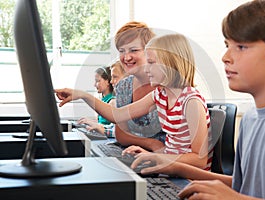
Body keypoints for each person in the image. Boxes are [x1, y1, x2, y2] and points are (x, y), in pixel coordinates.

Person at [130, 1, 265, 200]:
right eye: (227, 45)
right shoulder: (251, 118)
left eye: (241, 47)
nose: (225, 57)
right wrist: (174, 165)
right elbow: (242, 186)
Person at [55, 33, 213, 169]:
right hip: (170, 168)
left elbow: (199, 160)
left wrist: (158, 157)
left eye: (151, 63)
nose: (146, 68)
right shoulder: (160, 95)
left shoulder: (191, 102)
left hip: (190, 180)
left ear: (171, 64)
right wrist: (83, 95)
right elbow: (116, 115)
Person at [112, 21, 166, 151]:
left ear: (150, 52)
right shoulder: (123, 86)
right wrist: (151, 143)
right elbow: (121, 134)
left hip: (165, 157)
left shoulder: (167, 83)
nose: (126, 57)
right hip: (134, 152)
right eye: (121, 51)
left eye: (133, 50)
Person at [77, 66, 116, 137]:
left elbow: (111, 127)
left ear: (107, 81)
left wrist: (92, 123)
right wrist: (89, 122)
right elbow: (101, 123)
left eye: (98, 81)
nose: (94, 85)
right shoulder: (103, 100)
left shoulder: (112, 102)